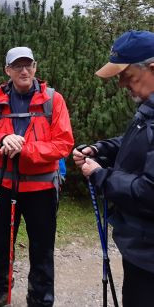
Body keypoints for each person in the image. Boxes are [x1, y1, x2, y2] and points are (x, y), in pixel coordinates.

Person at [0, 46, 74, 307]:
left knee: (42, 247)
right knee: (0, 243)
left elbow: (64, 144)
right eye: (17, 65)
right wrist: (3, 140)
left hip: (41, 190)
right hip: (2, 185)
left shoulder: (54, 101)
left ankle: (40, 299)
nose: (24, 70)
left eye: (28, 64)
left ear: (35, 67)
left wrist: (26, 149)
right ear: (7, 70)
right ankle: (0, 290)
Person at [73, 30, 154, 307]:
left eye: (127, 76)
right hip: (142, 249)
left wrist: (100, 175)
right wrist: (101, 149)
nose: (122, 85)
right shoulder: (149, 108)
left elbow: (149, 191)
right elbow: (136, 141)